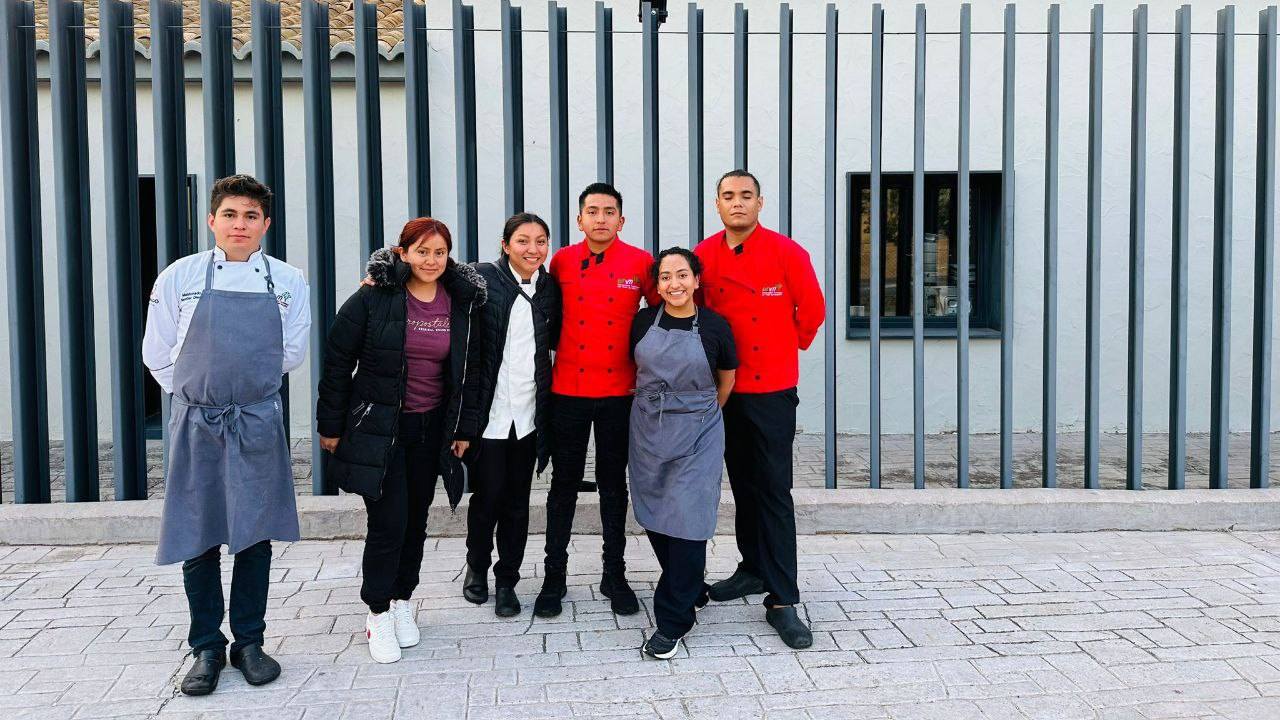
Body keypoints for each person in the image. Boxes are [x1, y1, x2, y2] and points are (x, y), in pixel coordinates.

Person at [143, 174, 311, 696]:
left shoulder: (287, 281)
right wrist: (200, 397)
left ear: (267, 224)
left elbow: (291, 354)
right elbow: (158, 353)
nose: (241, 225)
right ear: (212, 219)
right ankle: (206, 647)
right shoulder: (180, 276)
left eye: (252, 216)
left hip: (258, 419)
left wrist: (245, 396)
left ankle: (250, 641)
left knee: (255, 535)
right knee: (198, 536)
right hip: (198, 420)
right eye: (231, 215)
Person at [315, 218, 486, 664]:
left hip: (433, 431)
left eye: (440, 252)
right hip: (382, 429)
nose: (431, 260)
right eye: (422, 251)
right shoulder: (375, 297)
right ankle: (377, 611)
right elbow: (337, 362)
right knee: (389, 523)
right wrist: (330, 426)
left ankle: (403, 602)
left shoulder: (461, 302)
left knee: (416, 522)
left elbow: (472, 374)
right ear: (403, 252)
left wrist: (464, 430)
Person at [695, 169, 825, 650]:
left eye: (745, 196)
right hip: (723, 391)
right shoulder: (704, 255)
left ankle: (783, 598)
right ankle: (751, 569)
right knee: (742, 485)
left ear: (760, 202)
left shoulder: (787, 252)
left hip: (771, 389)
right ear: (717, 203)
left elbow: (811, 310)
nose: (737, 203)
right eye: (728, 196)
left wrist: (781, 347)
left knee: (772, 489)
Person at [535, 183, 660, 618]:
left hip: (620, 393)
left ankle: (615, 573)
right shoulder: (563, 260)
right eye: (593, 211)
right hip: (567, 389)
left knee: (613, 484)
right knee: (563, 484)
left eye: (609, 212)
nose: (601, 218)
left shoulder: (642, 262)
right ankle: (554, 577)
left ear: (621, 221)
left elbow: (664, 314)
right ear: (580, 219)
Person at [629, 248, 737, 659]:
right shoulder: (642, 322)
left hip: (699, 431)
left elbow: (726, 379)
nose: (674, 284)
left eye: (682, 275)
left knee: (689, 519)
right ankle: (690, 585)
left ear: (696, 280)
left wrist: (698, 412)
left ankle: (673, 620)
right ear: (656, 285)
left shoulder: (714, 325)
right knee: (655, 513)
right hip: (648, 427)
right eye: (665, 278)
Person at [463, 213, 562, 617]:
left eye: (541, 241)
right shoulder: (480, 278)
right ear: (505, 245)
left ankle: (508, 580)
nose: (532, 249)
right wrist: (382, 277)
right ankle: (476, 568)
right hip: (490, 416)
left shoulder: (550, 287)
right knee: (487, 498)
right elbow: (426, 275)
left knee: (518, 503)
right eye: (523, 241)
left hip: (529, 415)